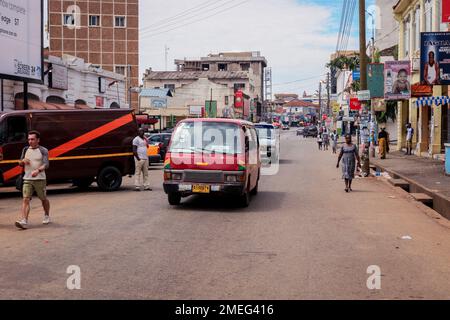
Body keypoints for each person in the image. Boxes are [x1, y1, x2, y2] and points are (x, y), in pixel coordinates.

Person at [15, 131, 50, 230]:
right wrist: (22, 162)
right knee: (25, 199)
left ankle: (47, 215)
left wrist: (38, 170)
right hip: (27, 179)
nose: (30, 141)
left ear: (38, 140)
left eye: (32, 139)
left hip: (40, 179)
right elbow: (20, 162)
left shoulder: (43, 150)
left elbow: (46, 164)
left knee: (43, 199)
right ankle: (24, 221)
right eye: (29, 139)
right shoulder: (25, 149)